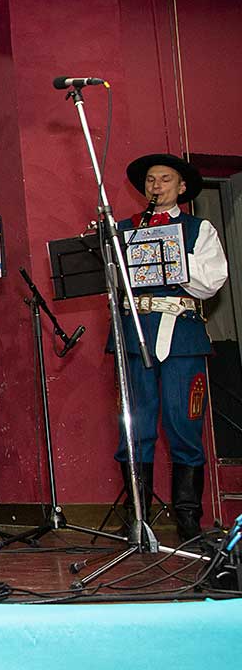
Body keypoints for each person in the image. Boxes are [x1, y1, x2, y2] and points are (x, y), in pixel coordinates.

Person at [115, 153, 227, 542]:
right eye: (150, 179)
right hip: (137, 335)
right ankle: (138, 518)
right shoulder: (123, 230)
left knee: (184, 425)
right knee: (136, 427)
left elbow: (210, 282)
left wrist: (172, 252)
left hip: (182, 337)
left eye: (165, 179)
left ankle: (188, 519)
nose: (156, 186)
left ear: (181, 187)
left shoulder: (199, 229)